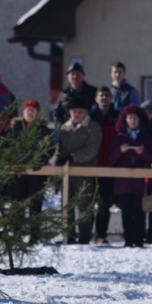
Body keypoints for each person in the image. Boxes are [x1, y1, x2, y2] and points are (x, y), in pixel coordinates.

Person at [54, 96, 103, 244]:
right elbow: (59, 147)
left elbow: (92, 149)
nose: (77, 114)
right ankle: (67, 238)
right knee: (66, 207)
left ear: (85, 112)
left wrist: (72, 156)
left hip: (85, 172)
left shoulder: (93, 127)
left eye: (80, 111)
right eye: (74, 111)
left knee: (84, 207)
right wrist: (58, 157)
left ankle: (84, 239)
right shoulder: (64, 128)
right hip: (66, 174)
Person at [6, 98, 54, 243]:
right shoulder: (14, 128)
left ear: (38, 113)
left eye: (34, 110)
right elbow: (7, 147)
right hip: (17, 173)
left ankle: (34, 236)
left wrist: (38, 161)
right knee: (17, 205)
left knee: (35, 206)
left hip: (37, 174)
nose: (31, 113)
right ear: (23, 111)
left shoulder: (44, 130)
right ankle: (17, 234)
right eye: (28, 110)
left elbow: (49, 149)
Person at [108, 105, 152, 248]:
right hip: (123, 182)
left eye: (135, 118)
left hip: (141, 183)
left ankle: (139, 240)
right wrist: (120, 151)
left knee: (139, 212)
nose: (133, 120)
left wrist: (144, 153)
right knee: (126, 212)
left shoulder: (146, 137)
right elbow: (111, 158)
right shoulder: (119, 138)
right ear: (125, 120)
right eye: (130, 118)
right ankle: (128, 240)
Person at [89, 86, 120, 245]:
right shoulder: (90, 116)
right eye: (101, 95)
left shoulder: (117, 116)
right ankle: (85, 235)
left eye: (107, 96)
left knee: (104, 203)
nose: (104, 98)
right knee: (87, 202)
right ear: (96, 98)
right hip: (90, 165)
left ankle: (101, 235)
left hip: (109, 166)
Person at [54, 62, 97, 129]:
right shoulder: (63, 95)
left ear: (83, 76)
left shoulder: (93, 92)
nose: (75, 77)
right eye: (72, 74)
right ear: (68, 77)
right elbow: (57, 114)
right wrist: (61, 127)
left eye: (77, 74)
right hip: (69, 131)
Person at [140, 100, 152, 243]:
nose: (147, 115)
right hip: (139, 168)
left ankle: (150, 232)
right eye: (144, 112)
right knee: (140, 199)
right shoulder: (137, 128)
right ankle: (140, 230)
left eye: (149, 113)